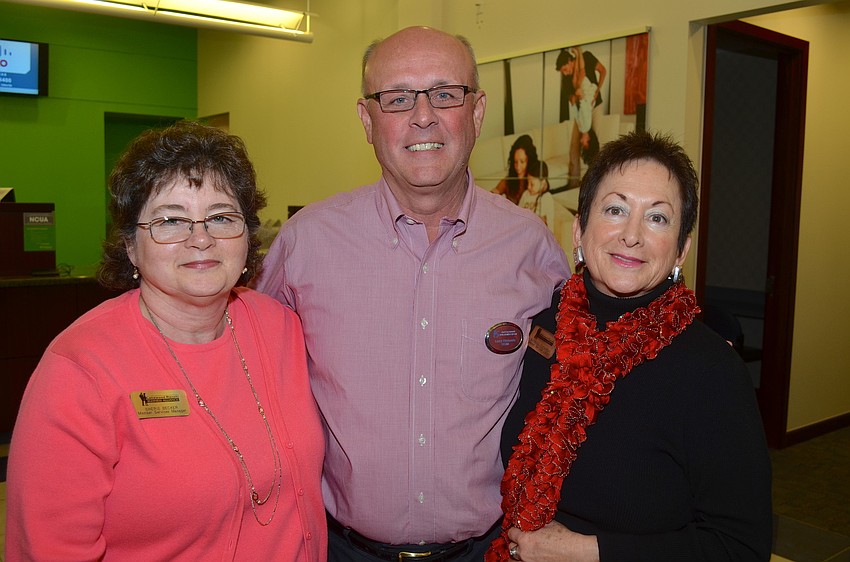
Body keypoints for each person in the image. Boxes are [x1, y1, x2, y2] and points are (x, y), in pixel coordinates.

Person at [255, 26, 570, 562]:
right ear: (366, 120)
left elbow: (569, 394)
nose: (423, 116)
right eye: (397, 98)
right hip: (342, 551)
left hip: (490, 551)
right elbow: (251, 381)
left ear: (477, 112)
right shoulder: (305, 244)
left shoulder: (532, 247)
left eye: (445, 93)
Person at [5, 121, 327, 562]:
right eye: (171, 219)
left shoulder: (280, 328)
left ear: (248, 235)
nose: (201, 238)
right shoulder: (79, 371)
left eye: (221, 216)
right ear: (131, 248)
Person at [489, 130, 772, 561]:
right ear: (580, 229)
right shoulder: (543, 327)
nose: (632, 235)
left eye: (657, 218)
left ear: (681, 250)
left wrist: (587, 552)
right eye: (616, 209)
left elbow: (740, 548)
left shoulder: (711, 371)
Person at [556, 47, 606, 187]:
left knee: (596, 145)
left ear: (569, 61)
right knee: (574, 146)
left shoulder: (588, 57)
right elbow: (571, 97)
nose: (565, 73)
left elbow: (603, 71)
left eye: (565, 69)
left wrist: (598, 90)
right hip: (582, 111)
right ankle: (574, 184)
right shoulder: (569, 78)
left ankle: (596, 184)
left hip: (593, 105)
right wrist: (574, 98)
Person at [492, 134, 541, 205]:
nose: (518, 167)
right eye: (515, 162)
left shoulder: (535, 181)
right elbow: (494, 194)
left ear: (529, 161)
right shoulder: (508, 180)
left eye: (522, 162)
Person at [518, 160, 555, 230]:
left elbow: (550, 225)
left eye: (532, 184)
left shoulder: (547, 198)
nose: (528, 187)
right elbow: (518, 214)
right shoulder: (526, 194)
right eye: (527, 182)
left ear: (543, 183)